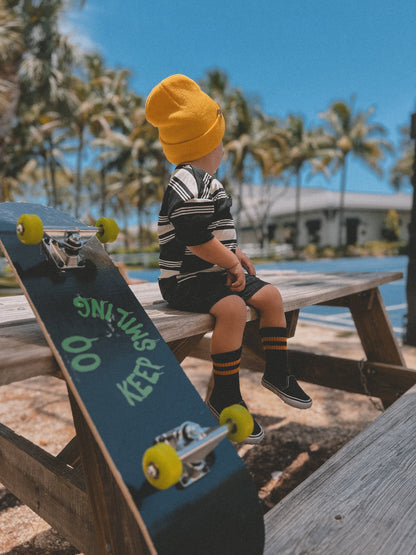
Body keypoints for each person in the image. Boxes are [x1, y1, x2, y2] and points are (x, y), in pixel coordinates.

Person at [145, 74, 311, 443]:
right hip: (184, 281)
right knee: (234, 309)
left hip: (214, 273)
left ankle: (278, 372)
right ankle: (225, 395)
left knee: (271, 297)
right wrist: (231, 264)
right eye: (219, 142)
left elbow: (212, 235)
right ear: (207, 142)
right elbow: (194, 237)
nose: (223, 150)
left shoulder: (206, 181)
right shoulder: (187, 182)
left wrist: (234, 253)